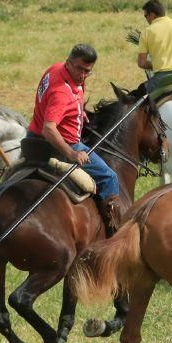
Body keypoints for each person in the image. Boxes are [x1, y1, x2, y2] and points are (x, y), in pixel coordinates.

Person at [27, 44, 121, 234]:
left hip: (32, 139)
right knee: (110, 177)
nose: (83, 75)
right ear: (69, 63)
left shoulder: (56, 68)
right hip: (59, 144)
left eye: (88, 71)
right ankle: (113, 232)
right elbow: (49, 129)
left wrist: (79, 113)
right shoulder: (61, 92)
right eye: (79, 69)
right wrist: (72, 153)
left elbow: (73, 92)